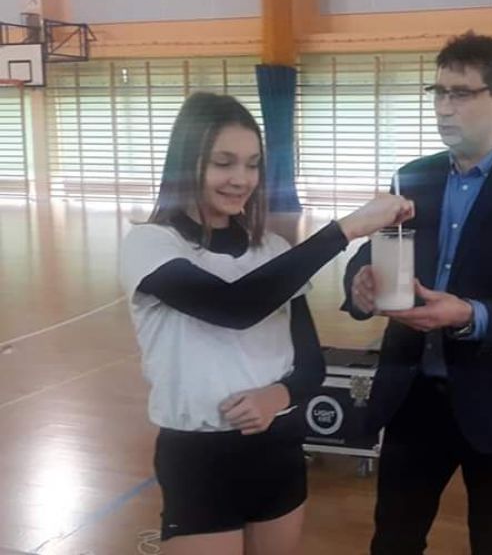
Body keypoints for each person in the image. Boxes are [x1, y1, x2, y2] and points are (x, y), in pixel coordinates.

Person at [119, 91, 413, 555]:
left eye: (253, 165)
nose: (241, 179)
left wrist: (277, 396)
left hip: (278, 449)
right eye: (224, 163)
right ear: (187, 162)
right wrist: (346, 229)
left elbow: (311, 363)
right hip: (200, 457)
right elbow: (234, 306)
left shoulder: (272, 250)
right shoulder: (152, 245)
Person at [341, 32, 492, 555]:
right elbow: (371, 253)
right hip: (413, 396)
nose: (445, 108)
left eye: (462, 93)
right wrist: (360, 283)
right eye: (439, 92)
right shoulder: (413, 177)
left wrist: (466, 315)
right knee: (394, 538)